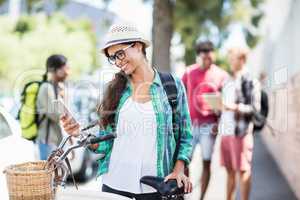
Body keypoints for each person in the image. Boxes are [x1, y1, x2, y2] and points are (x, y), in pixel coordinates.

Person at [61, 22, 193, 200]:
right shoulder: (114, 90)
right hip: (115, 186)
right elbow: (105, 143)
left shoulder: (171, 85)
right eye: (112, 58)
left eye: (120, 54)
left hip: (156, 188)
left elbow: (185, 135)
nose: (117, 61)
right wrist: (79, 133)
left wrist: (178, 171)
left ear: (138, 46)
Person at [182, 41, 229, 200]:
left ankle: (201, 197)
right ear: (198, 57)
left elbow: (226, 101)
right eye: (204, 58)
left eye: (210, 57)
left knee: (207, 162)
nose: (207, 61)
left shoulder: (221, 75)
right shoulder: (188, 72)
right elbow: (180, 97)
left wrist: (219, 121)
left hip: (209, 126)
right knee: (184, 162)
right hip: (189, 125)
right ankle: (185, 195)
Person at [218, 47, 261, 200]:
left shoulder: (250, 81)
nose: (230, 61)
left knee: (243, 171)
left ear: (242, 59)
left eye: (233, 58)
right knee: (229, 172)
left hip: (240, 134)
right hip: (226, 133)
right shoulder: (229, 80)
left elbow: (255, 109)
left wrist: (234, 107)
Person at [36, 54, 70, 160]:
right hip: (48, 142)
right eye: (66, 68)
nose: (68, 72)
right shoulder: (46, 88)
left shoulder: (57, 87)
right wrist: (63, 98)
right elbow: (56, 116)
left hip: (55, 141)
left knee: (58, 175)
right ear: (56, 70)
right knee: (49, 176)